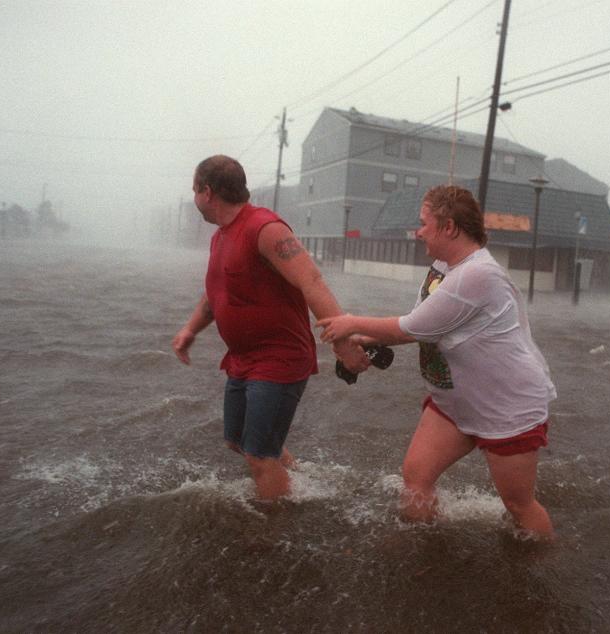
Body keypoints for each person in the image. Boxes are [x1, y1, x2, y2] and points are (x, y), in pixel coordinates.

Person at [316, 185, 557, 540]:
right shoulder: (442, 267)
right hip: (455, 402)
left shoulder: (478, 275)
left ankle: (542, 570)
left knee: (518, 505)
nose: (419, 231)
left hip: (508, 406)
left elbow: (412, 328)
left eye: (424, 223)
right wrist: (366, 339)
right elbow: (423, 321)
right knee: (416, 478)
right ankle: (426, 553)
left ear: (449, 227)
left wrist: (351, 323)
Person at [172, 155, 369, 500]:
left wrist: (343, 344)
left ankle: (274, 527)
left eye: (194, 190)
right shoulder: (221, 237)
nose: (194, 198)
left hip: (279, 358)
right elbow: (216, 294)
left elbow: (312, 281)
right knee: (237, 440)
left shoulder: (265, 229)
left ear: (206, 192)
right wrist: (191, 329)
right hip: (242, 359)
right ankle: (295, 479)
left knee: (258, 455)